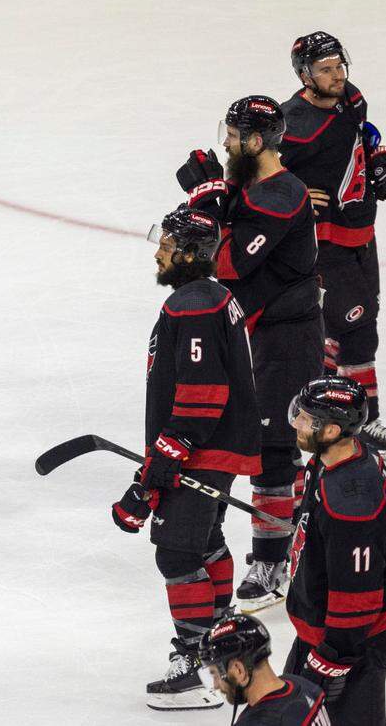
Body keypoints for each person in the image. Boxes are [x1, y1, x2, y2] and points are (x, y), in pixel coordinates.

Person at [176, 96, 323, 612]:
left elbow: (231, 264)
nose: (226, 143)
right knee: (262, 440)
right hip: (254, 330)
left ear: (256, 141)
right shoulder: (250, 185)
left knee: (275, 446)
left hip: (286, 338)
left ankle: (272, 557)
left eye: (234, 136)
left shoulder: (282, 194)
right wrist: (205, 194)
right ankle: (295, 531)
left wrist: (211, 199)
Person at [110, 207, 260, 711]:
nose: (158, 252)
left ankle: (198, 665)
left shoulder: (192, 305)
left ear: (191, 255)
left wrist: (156, 472)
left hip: (201, 451)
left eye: (168, 246)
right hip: (217, 450)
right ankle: (220, 641)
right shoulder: (212, 297)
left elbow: (201, 398)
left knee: (176, 554)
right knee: (206, 544)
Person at [280, 31, 386, 461]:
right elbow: (255, 177)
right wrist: (293, 191)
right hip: (324, 244)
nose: (337, 76)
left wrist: (383, 161)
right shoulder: (290, 125)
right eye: (325, 70)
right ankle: (360, 421)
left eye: (339, 66)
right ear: (304, 75)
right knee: (356, 327)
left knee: (349, 326)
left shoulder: (351, 99)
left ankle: (317, 413)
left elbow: (363, 141)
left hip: (362, 235)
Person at [283, 376, 386, 725]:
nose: (297, 423)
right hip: (329, 632)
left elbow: (358, 598)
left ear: (331, 430)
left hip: (353, 641)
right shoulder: (341, 457)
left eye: (307, 419)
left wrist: (334, 659)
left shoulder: (351, 502)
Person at [199, 613, 330, 725]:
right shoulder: (301, 684)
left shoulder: (259, 722)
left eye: (215, 674)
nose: (216, 685)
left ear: (239, 670)